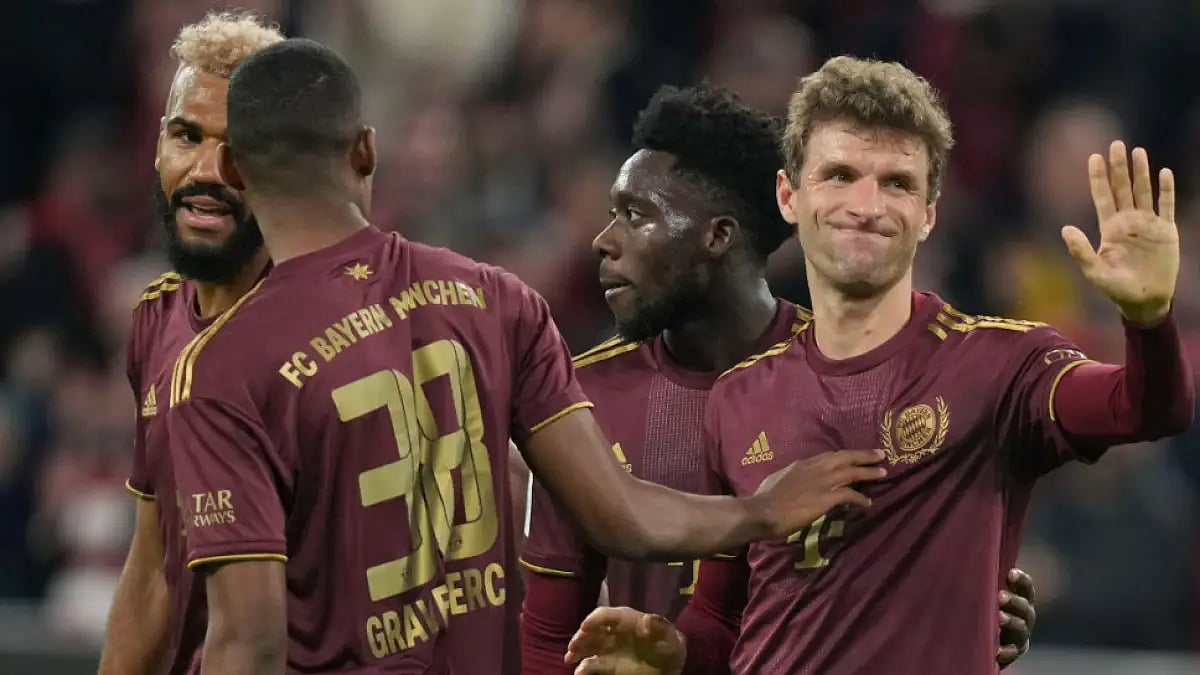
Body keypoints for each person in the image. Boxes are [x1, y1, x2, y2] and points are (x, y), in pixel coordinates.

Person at [161, 39, 888, 674]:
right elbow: (620, 519)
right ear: (365, 150)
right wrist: (761, 513)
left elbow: (247, 643)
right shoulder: (499, 300)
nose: (602, 240)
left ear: (229, 164)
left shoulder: (220, 367)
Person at [566, 56, 1194, 674]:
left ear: (929, 213)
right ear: (789, 195)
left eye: (897, 182)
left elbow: (1145, 408)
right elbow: (724, 621)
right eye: (840, 175)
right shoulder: (738, 395)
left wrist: (1148, 319)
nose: (867, 205)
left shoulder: (1001, 364)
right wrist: (672, 653)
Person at [520, 84, 1038, 673]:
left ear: (718, 236)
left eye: (634, 216)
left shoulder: (863, 373)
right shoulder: (578, 400)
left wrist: (970, 604)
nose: (604, 241)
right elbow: (546, 636)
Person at [99, 12, 284, 675]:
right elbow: (153, 570)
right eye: (187, 135)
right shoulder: (156, 319)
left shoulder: (323, 328)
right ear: (157, 146)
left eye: (237, 148)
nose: (207, 171)